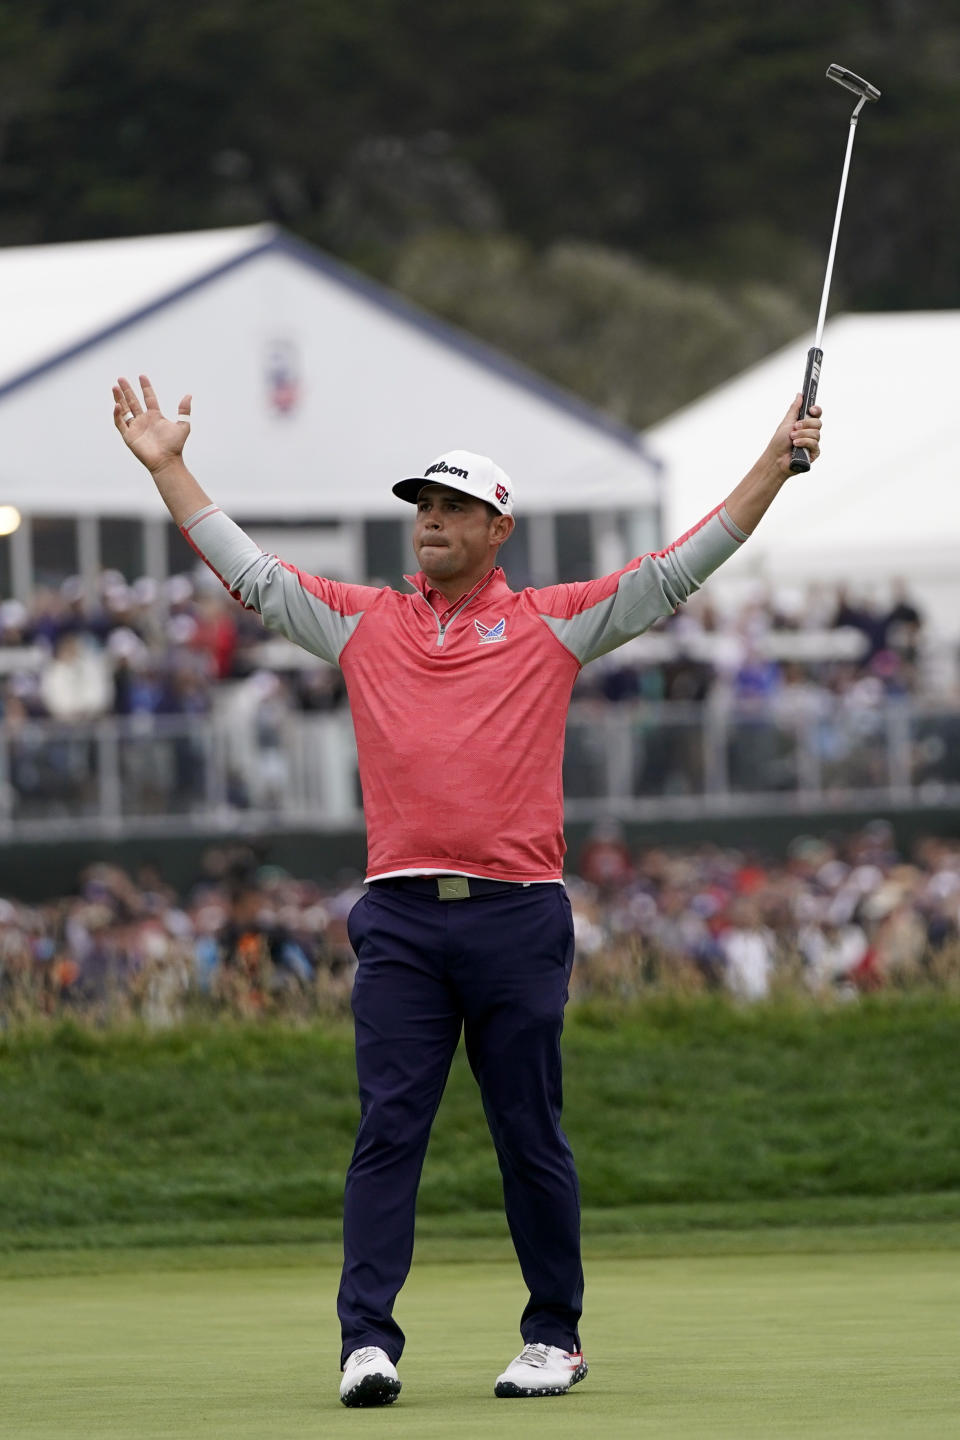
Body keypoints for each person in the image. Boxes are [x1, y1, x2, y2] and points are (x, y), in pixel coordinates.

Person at [112, 372, 822, 1407]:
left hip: (517, 914)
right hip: (399, 913)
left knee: (527, 1127)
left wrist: (774, 461)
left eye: (452, 510)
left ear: (499, 529)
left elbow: (682, 568)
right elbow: (254, 577)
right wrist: (171, 468)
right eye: (422, 510)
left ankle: (554, 1335)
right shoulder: (362, 623)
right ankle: (367, 1342)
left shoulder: (552, 621)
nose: (430, 524)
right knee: (388, 1127)